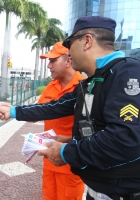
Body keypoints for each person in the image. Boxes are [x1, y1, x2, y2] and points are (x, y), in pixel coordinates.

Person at [0, 16, 140, 200]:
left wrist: (65, 152)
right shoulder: (90, 82)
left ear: (86, 41)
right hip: (98, 191)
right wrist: (13, 111)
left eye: (70, 44)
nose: (69, 52)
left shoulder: (130, 74)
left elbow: (124, 140)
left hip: (131, 194)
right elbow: (55, 107)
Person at [38, 42, 86, 200]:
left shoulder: (84, 87)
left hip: (70, 164)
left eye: (53, 61)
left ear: (68, 61)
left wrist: (67, 141)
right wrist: (12, 110)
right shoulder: (50, 87)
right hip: (49, 160)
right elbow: (37, 111)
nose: (49, 66)